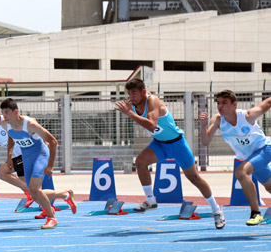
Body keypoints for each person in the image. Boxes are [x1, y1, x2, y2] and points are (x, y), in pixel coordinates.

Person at [114, 78, 225, 229]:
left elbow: (152, 126)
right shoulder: (132, 104)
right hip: (160, 144)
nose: (131, 97)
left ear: (144, 93)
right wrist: (127, 108)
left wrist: (129, 114)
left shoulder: (152, 101)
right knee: (140, 162)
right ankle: (150, 200)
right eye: (129, 94)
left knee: (194, 178)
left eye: (134, 93)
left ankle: (216, 210)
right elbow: (129, 108)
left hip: (177, 144)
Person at [0, 98, 75, 214]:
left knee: (7, 175)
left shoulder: (9, 120)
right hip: (20, 155)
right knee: (32, 189)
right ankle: (57, 198)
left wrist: (41, 139)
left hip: (27, 153)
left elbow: (29, 124)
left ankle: (48, 207)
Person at [0, 98, 77, 229]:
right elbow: (11, 138)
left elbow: (53, 141)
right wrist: (9, 157)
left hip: (40, 155)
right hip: (26, 157)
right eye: (3, 112)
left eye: (7, 112)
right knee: (34, 194)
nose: (4, 115)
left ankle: (51, 217)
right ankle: (66, 194)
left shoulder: (30, 124)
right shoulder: (4, 124)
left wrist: (50, 165)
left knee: (35, 189)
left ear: (15, 111)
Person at [200, 90, 271, 226]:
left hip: (265, 149)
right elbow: (205, 141)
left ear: (234, 105)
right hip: (250, 157)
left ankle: (256, 213)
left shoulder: (247, 116)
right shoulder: (218, 120)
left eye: (225, 103)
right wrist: (203, 126)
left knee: (241, 172)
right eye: (218, 103)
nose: (220, 106)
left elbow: (268, 102)